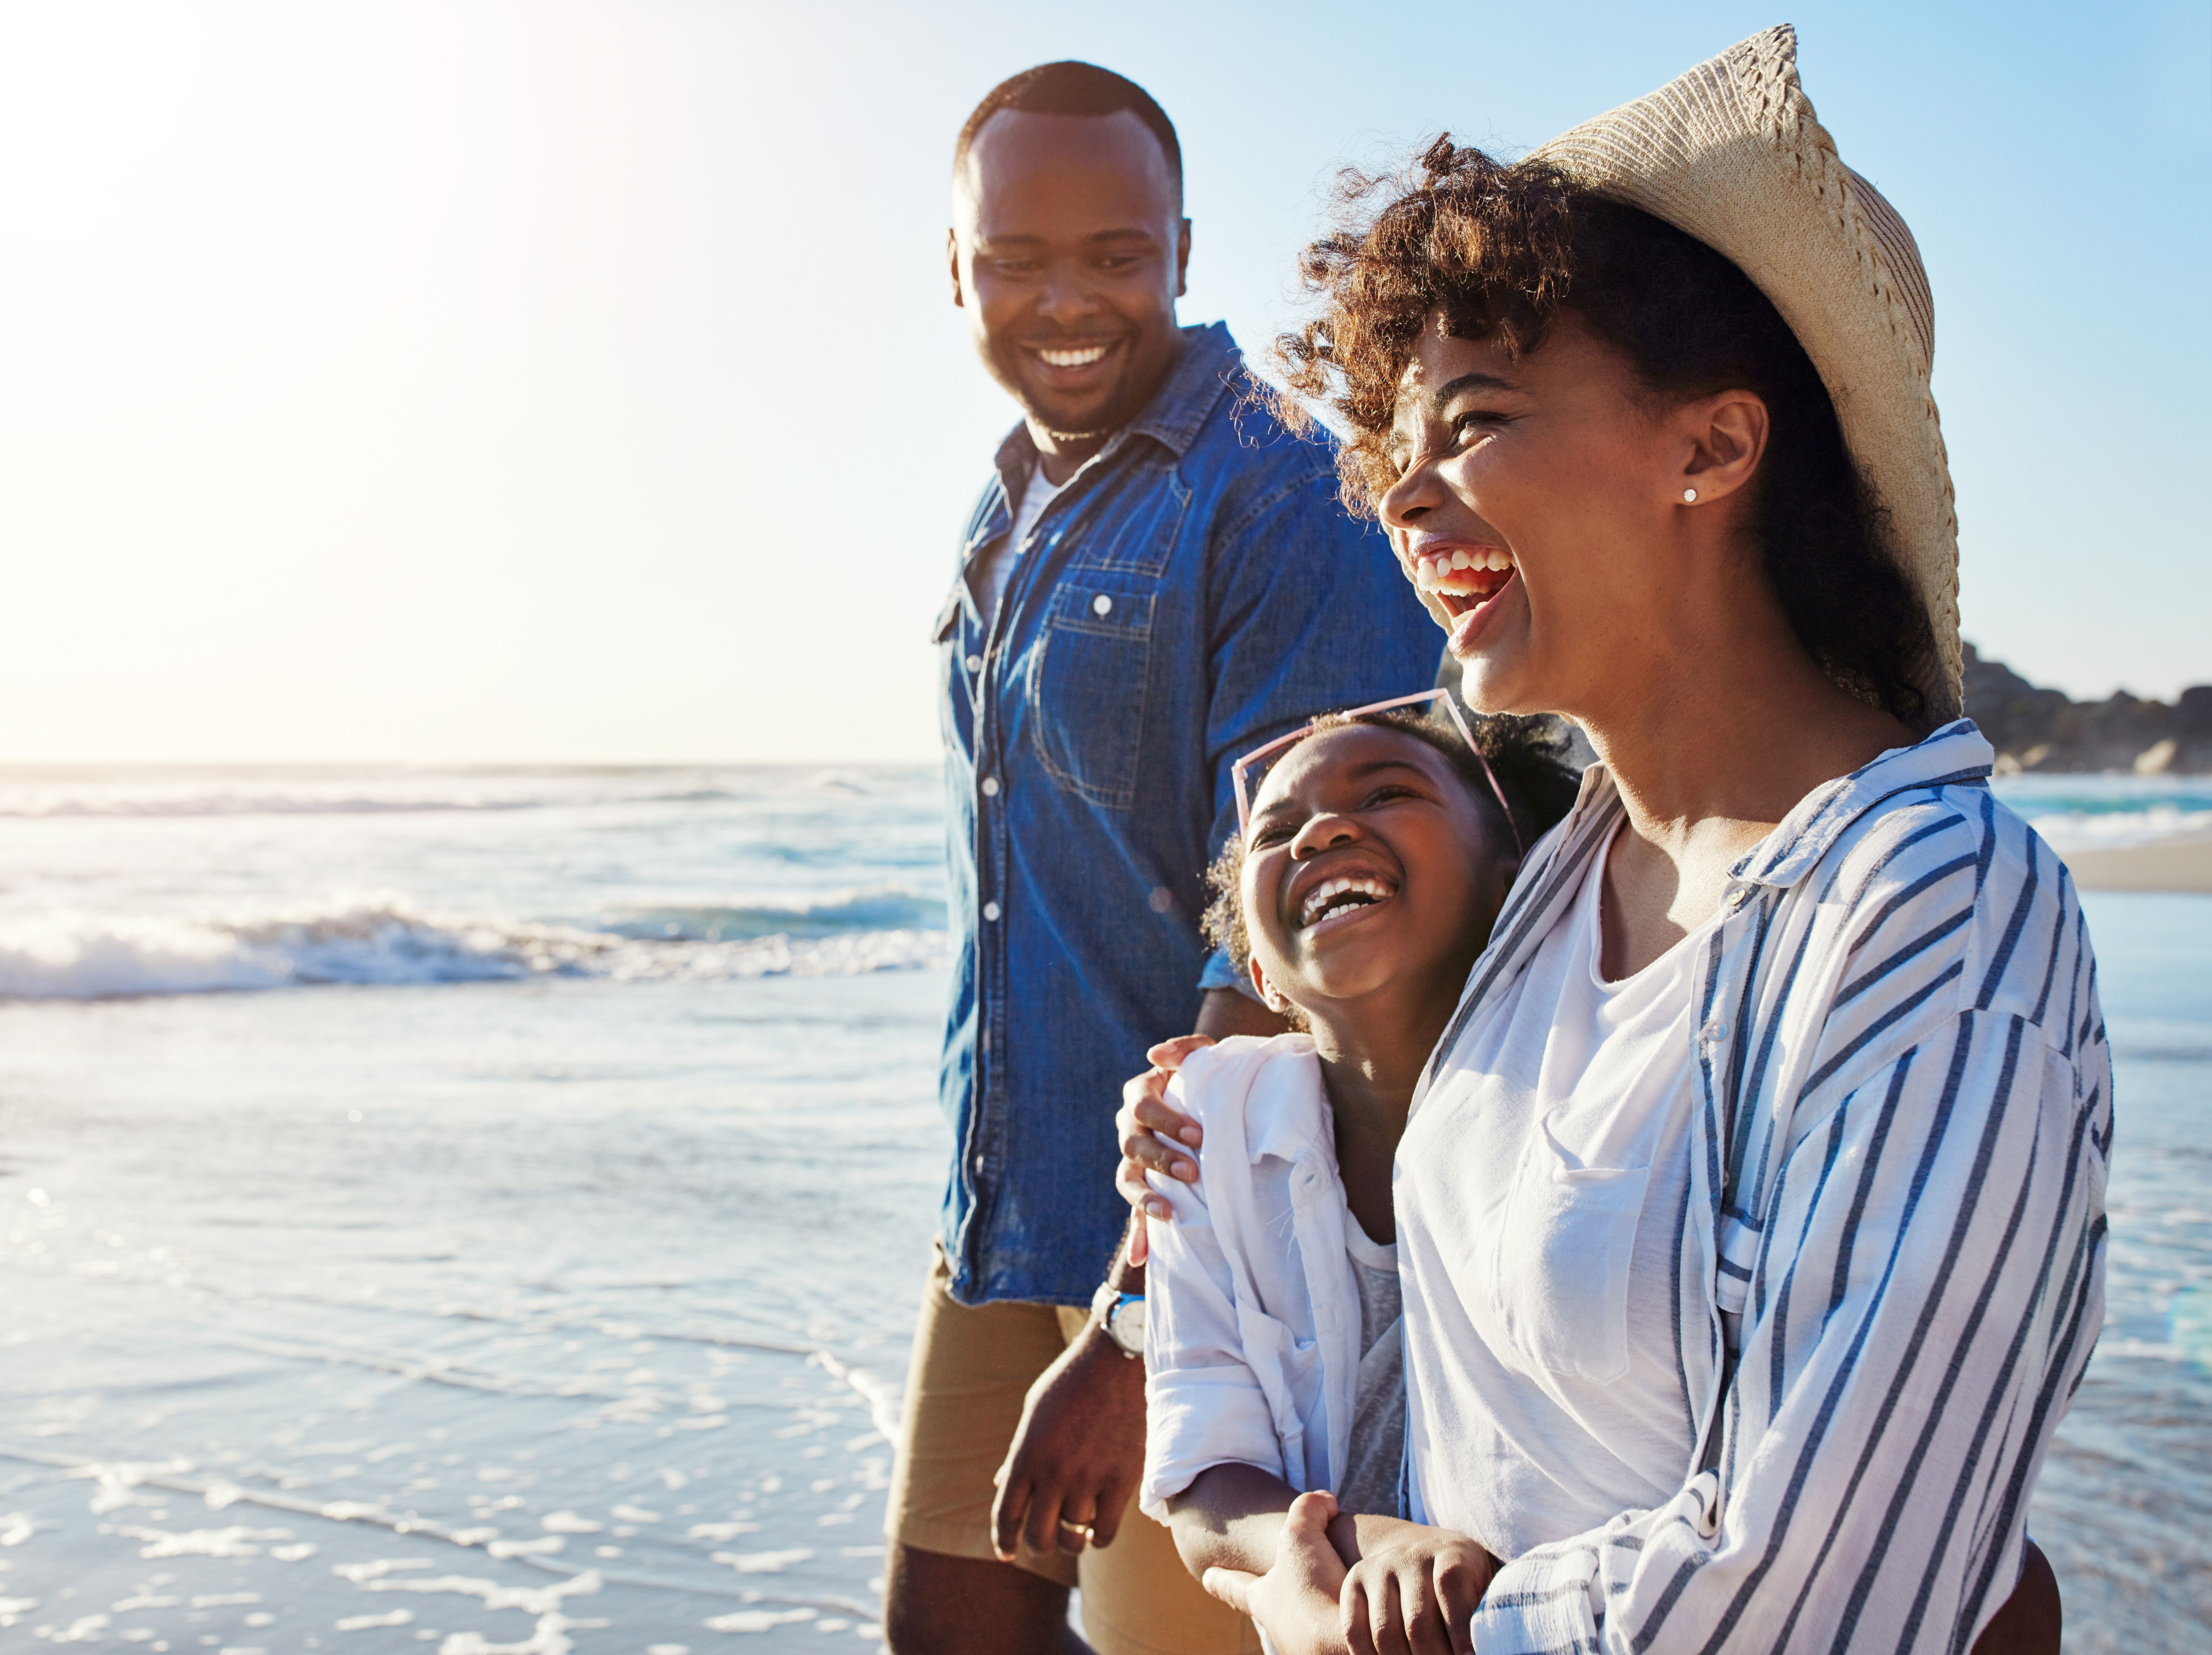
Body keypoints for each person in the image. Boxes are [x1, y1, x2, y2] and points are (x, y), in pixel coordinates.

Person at [1112, 28, 2103, 1654]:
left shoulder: (1929, 912)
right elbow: (1442, 1316)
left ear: (1712, 446)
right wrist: (1221, 1099)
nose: (1405, 498)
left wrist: (1409, 1630)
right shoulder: (1554, 885)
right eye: (1396, 448)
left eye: (1476, 418)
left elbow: (1830, 1591)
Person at [887, 59, 1442, 1655]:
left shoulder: (1276, 493)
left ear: (1183, 252)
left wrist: (1138, 1321)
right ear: (957, 269)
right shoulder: (1006, 509)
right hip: (1001, 1218)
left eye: (1115, 257)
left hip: (1204, 1254)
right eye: (1014, 260)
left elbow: (1301, 939)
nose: (1065, 301)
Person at [1135, 699, 1578, 1652]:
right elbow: (1204, 1473)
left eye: (1386, 792)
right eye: (1276, 831)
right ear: (1258, 969)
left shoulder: (1593, 1104)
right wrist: (1357, 1544)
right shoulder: (1200, 1122)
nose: (1325, 829)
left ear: (1516, 878)